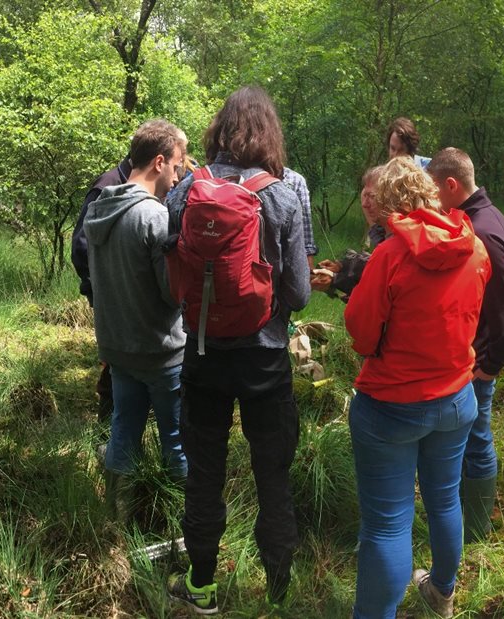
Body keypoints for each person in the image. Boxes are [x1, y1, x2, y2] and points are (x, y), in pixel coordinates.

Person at [165, 86, 311, 615]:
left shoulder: (186, 190)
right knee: (272, 472)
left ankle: (201, 587)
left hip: (202, 354)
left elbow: (172, 277)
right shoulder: (282, 194)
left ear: (219, 130)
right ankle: (277, 593)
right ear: (268, 132)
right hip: (265, 359)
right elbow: (297, 291)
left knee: (205, 472)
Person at [344, 157, 490, 618]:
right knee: (445, 498)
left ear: (388, 204)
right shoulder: (476, 248)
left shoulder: (389, 256)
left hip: (391, 407)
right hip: (456, 398)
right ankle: (441, 592)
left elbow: (363, 335)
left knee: (388, 525)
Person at [83, 119, 189, 517]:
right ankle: (183, 525)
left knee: (123, 430)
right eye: (177, 166)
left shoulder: (99, 208)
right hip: (160, 352)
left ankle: (115, 517)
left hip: (118, 348)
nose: (179, 176)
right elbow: (170, 293)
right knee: (175, 441)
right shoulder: (154, 217)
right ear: (159, 162)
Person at [427, 147, 504, 543]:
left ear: (451, 185)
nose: (430, 198)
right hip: (471, 355)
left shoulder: (483, 229)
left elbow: (502, 307)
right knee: (469, 439)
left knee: (478, 439)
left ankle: (475, 530)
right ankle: (465, 518)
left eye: (433, 190)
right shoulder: (478, 217)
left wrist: (491, 363)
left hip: (478, 359)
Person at [71, 155, 132, 436]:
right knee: (115, 362)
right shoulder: (108, 185)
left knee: (123, 360)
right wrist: (101, 287)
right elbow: (81, 246)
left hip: (127, 294)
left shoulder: (133, 184)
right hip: (110, 294)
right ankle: (105, 436)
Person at [311, 166, 382, 300]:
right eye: (364, 195)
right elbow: (371, 262)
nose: (365, 204)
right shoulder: (381, 230)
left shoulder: (397, 238)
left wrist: (336, 279)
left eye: (371, 196)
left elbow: (378, 281)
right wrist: (342, 266)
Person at [370, 117, 432, 247]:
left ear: (411, 151)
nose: (395, 156)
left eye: (401, 151)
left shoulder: (427, 172)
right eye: (392, 149)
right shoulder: (385, 174)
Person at [282, 166, 319, 268]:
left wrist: (309, 267)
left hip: (286, 259)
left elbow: (305, 225)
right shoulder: (237, 178)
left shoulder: (295, 180)